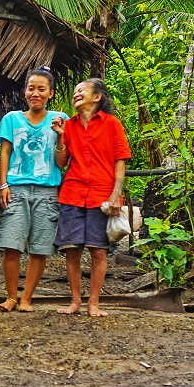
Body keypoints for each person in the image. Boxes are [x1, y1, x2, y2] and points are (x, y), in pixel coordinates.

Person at [52, 78, 131, 317]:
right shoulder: (69, 125)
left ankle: (93, 302)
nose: (76, 94)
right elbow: (61, 163)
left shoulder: (112, 124)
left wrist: (116, 195)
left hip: (102, 196)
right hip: (73, 193)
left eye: (81, 91)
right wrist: (59, 136)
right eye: (74, 91)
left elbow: (120, 160)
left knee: (98, 251)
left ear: (97, 97)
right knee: (72, 250)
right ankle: (75, 301)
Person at [0, 66, 68, 313]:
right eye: (31, 88)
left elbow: (62, 162)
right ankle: (11, 296)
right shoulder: (11, 119)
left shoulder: (60, 119)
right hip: (15, 188)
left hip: (48, 191)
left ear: (51, 93)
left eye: (41, 89)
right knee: (11, 244)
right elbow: (5, 152)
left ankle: (27, 297)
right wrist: (2, 184)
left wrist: (60, 136)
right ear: (25, 91)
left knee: (40, 247)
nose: (35, 93)